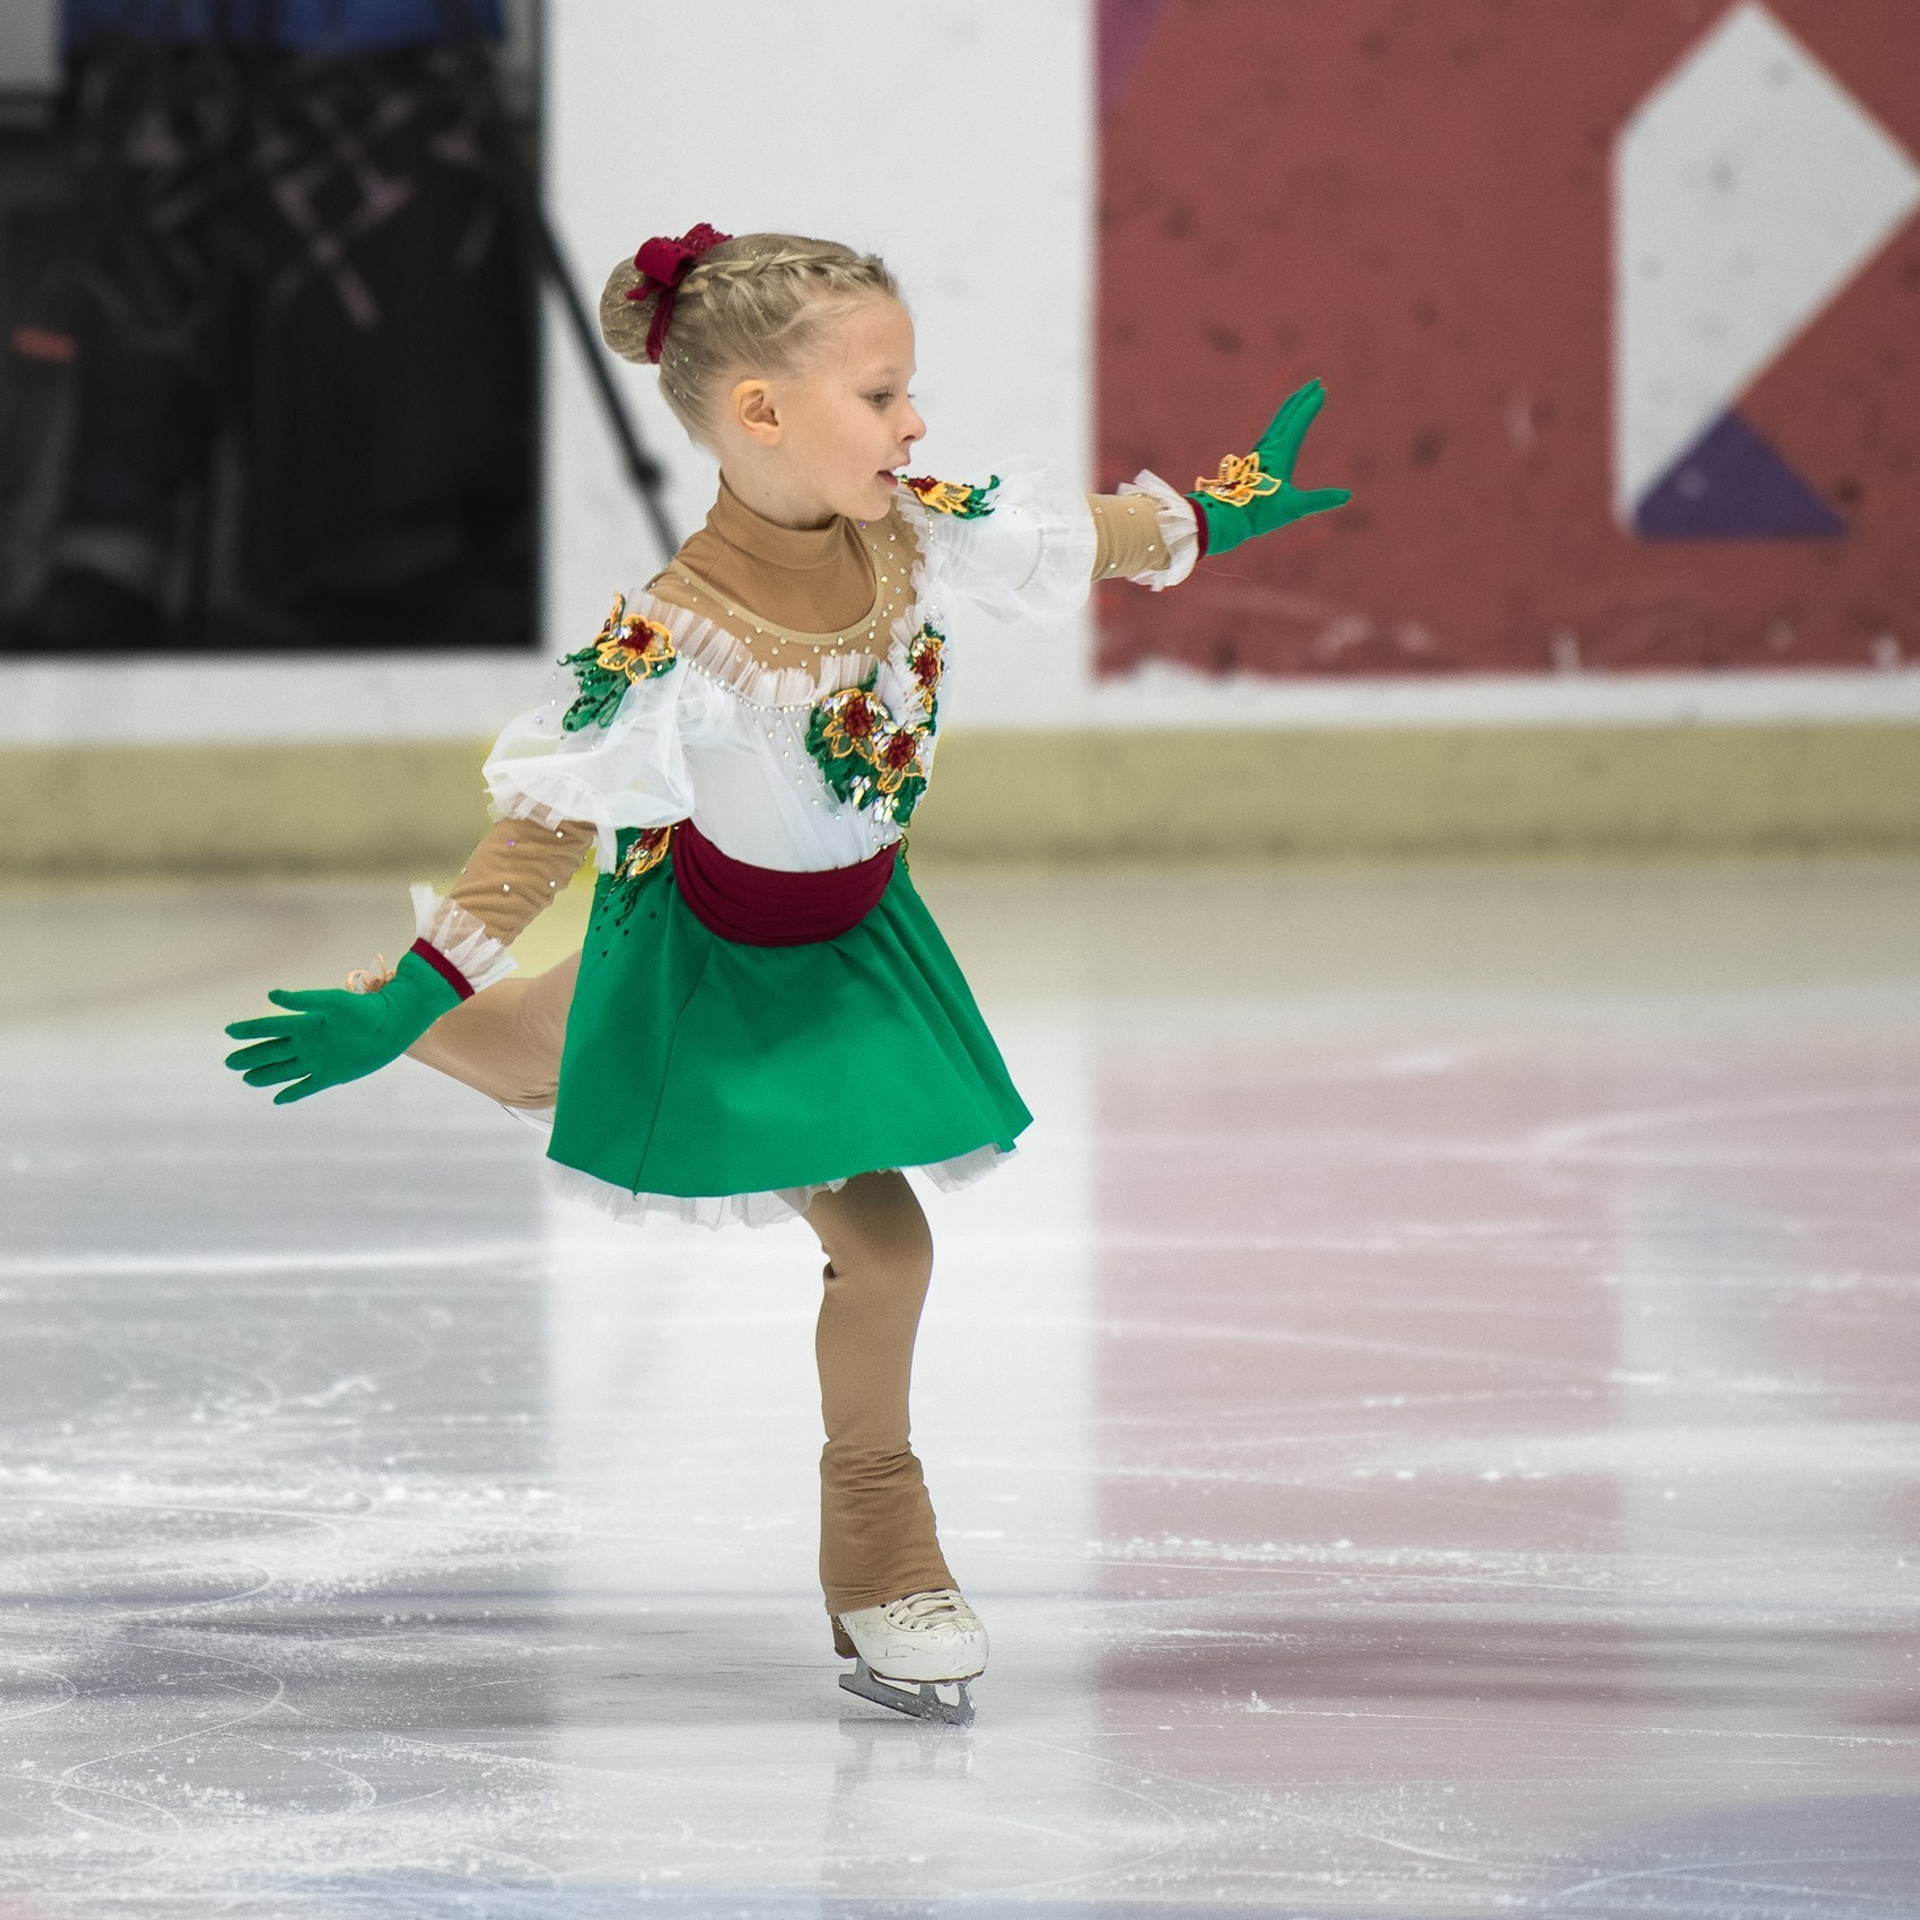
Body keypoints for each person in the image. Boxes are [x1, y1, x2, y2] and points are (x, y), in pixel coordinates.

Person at [222, 225, 1350, 1723]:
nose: (916, 423)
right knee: (885, 1250)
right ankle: (883, 1556)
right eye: (881, 396)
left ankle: (488, 1035)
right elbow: (545, 827)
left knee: (555, 1052)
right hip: (725, 951)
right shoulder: (673, 635)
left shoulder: (918, 525)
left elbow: (1074, 536)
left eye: (909, 391)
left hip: (855, 936)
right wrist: (407, 1000)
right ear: (760, 413)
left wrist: (1217, 509)